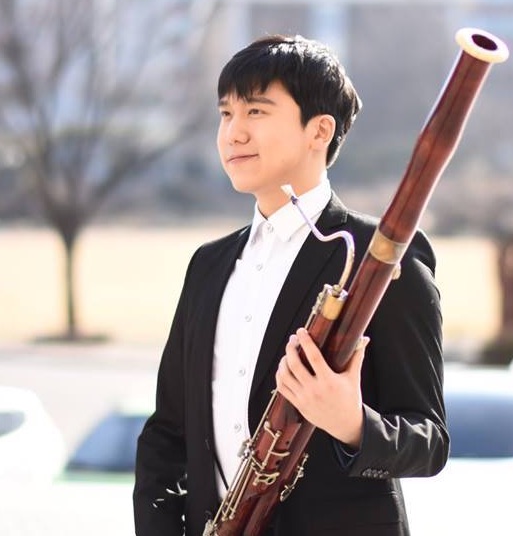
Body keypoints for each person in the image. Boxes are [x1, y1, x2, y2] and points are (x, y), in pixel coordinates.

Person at [134, 35, 449, 536]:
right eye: (226, 114)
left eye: (256, 112)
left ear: (319, 130)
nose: (233, 133)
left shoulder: (383, 257)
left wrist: (350, 423)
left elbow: (427, 440)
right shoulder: (208, 265)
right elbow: (168, 433)